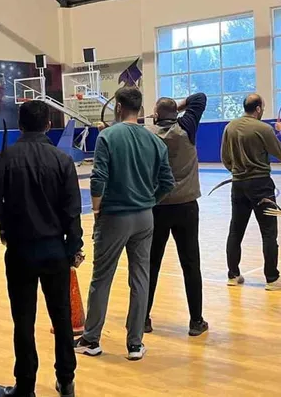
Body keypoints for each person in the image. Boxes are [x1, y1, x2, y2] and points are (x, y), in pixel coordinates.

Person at [0, 100, 84, 397]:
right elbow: (72, 212)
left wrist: (8, 206)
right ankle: (66, 380)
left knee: (23, 321)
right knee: (62, 319)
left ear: (20, 125)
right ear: (49, 125)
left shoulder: (2, 159)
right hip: (55, 251)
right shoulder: (62, 160)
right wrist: (74, 248)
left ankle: (26, 385)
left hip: (20, 252)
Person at [74, 87, 174, 361]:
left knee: (102, 278)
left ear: (118, 107)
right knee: (140, 278)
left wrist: (96, 211)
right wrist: (149, 201)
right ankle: (135, 344)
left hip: (115, 217)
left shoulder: (107, 136)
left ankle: (91, 339)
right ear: (140, 109)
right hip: (145, 217)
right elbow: (168, 182)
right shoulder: (155, 140)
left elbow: (98, 179)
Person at [146, 92, 209, 337]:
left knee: (151, 264)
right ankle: (196, 321)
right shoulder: (186, 127)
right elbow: (200, 98)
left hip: (158, 206)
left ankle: (143, 319)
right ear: (175, 114)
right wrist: (178, 106)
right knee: (191, 264)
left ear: (156, 115)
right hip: (186, 206)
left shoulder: (148, 134)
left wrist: (164, 111)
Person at [221, 94, 281, 290]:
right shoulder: (263, 128)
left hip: (238, 185)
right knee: (269, 232)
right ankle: (272, 278)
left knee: (235, 230)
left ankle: (233, 275)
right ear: (258, 109)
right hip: (261, 185)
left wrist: (238, 172)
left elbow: (225, 158)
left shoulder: (230, 127)